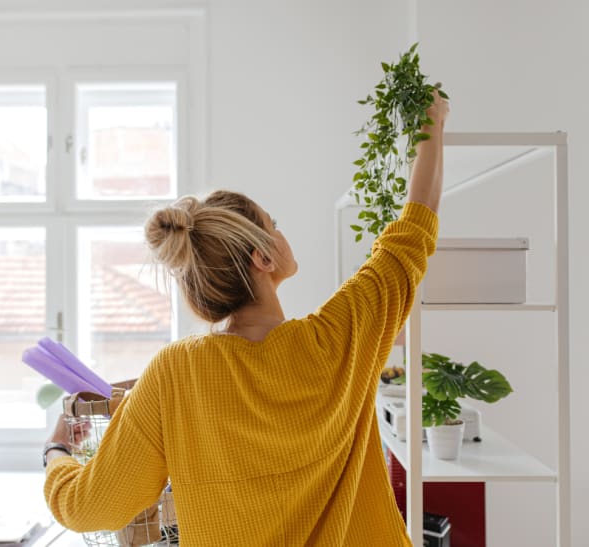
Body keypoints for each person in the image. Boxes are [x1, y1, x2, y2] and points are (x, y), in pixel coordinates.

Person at [42, 94, 448, 546]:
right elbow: (412, 234)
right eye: (273, 223)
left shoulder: (175, 373)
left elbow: (90, 508)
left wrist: (56, 451)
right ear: (262, 256)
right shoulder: (342, 335)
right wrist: (432, 126)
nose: (281, 229)